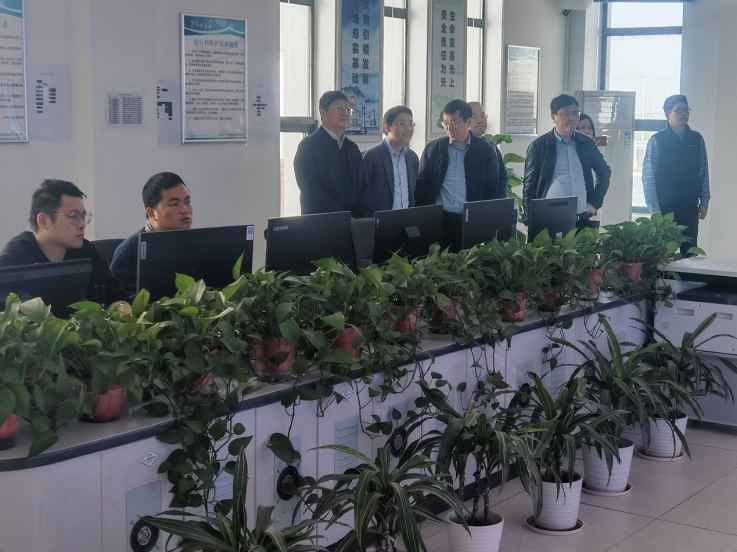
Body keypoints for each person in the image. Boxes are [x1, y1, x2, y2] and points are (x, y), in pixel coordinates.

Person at [0, 179, 128, 307]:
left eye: (83, 216)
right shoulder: (12, 260)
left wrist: (121, 307)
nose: (82, 224)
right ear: (43, 221)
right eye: (73, 216)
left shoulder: (85, 251)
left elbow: (114, 294)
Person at [522, 94, 611, 230]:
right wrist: (529, 220)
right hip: (549, 218)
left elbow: (604, 172)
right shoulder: (539, 146)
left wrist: (595, 202)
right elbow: (529, 186)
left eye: (575, 113)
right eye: (565, 114)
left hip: (582, 217)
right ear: (553, 117)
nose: (571, 118)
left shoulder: (586, 142)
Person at [642, 94, 709, 256]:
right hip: (665, 209)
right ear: (667, 114)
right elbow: (648, 177)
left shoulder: (696, 139)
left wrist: (705, 202)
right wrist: (654, 208)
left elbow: (703, 172)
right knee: (663, 255)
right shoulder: (657, 141)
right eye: (678, 110)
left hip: (690, 207)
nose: (683, 113)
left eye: (686, 110)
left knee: (690, 255)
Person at [416, 99, 508, 214]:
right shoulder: (433, 149)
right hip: (439, 217)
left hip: (472, 217)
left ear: (468, 122)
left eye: (454, 123)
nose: (449, 128)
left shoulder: (485, 150)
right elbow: (422, 186)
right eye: (445, 123)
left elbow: (492, 188)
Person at [110, 172, 192, 294]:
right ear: (152, 213)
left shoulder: (196, 244)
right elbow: (123, 301)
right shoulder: (128, 252)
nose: (185, 210)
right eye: (174, 204)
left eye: (187, 202)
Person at [293, 90, 364, 217]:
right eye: (338, 109)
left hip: (353, 223)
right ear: (323, 113)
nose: (344, 113)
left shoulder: (353, 148)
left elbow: (363, 186)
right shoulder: (308, 146)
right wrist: (343, 216)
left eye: (347, 109)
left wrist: (359, 217)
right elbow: (311, 191)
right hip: (321, 222)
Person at [358, 106, 419, 217]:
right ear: (387, 127)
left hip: (406, 221)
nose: (408, 128)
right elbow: (360, 195)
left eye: (411, 124)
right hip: (378, 222)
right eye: (402, 123)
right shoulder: (371, 156)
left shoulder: (412, 158)